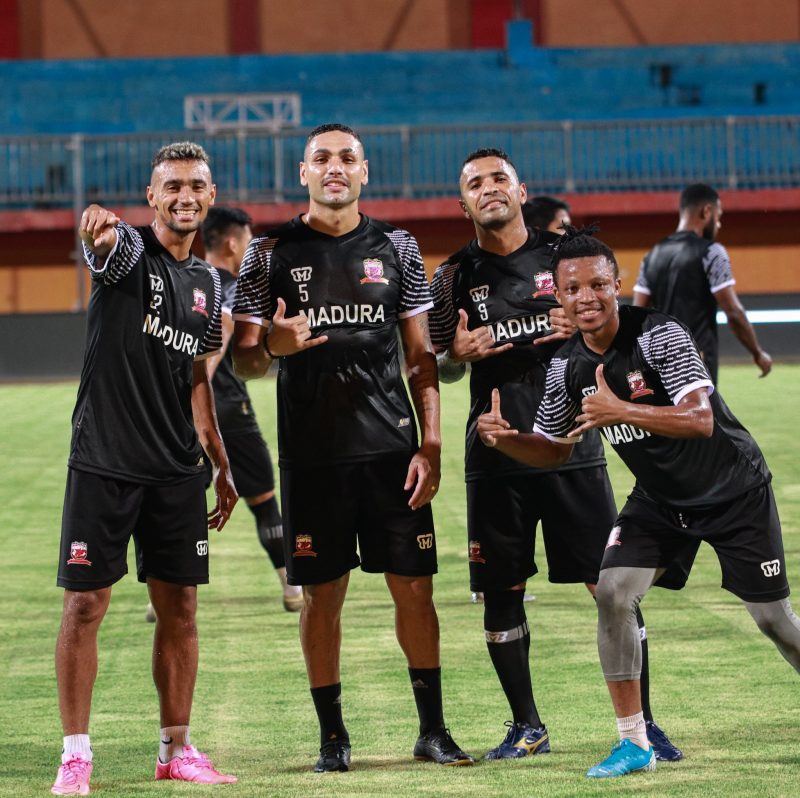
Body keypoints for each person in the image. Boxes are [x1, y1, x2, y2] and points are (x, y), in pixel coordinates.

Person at [477, 226, 800, 779]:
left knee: (773, 620)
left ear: (617, 284)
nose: (586, 298)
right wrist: (506, 439)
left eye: (598, 285)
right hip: (661, 501)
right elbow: (554, 450)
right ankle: (635, 742)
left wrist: (620, 411)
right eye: (573, 288)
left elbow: (700, 420)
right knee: (612, 593)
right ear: (558, 293)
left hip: (734, 493)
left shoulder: (658, 335)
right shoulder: (567, 367)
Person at [429, 148, 684, 763]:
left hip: (572, 448)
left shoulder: (565, 255)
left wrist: (589, 329)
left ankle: (642, 726)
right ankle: (527, 728)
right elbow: (437, 365)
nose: (489, 189)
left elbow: (616, 326)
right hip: (493, 452)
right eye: (475, 184)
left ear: (521, 190)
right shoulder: (451, 277)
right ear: (461, 203)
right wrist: (457, 354)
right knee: (501, 591)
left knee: (612, 589)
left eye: (498, 179)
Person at [231, 123, 472, 773]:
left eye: (346, 159)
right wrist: (271, 349)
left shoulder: (398, 246)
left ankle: (433, 730)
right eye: (321, 159)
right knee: (322, 596)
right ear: (302, 172)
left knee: (415, 590)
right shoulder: (269, 250)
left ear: (364, 172)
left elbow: (421, 356)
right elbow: (246, 360)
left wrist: (434, 443)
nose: (334, 168)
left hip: (392, 452)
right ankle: (332, 738)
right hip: (312, 457)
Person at [52, 142, 238, 795]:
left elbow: (195, 378)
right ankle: (76, 754)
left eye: (196, 186)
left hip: (175, 470)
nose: (185, 196)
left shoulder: (212, 284)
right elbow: (104, 243)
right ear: (153, 196)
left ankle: (176, 749)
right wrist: (98, 225)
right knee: (84, 606)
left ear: (210, 197)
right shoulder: (128, 251)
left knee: (181, 610)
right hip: (104, 460)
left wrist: (218, 456)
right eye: (173, 187)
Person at [200, 206, 302, 612]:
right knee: (263, 500)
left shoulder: (186, 280)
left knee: (180, 502)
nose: (248, 248)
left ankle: (163, 594)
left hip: (182, 409)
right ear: (230, 242)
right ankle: (291, 589)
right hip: (226, 407)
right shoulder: (230, 287)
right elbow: (225, 332)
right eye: (246, 240)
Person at [633, 183, 772, 385]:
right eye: (719, 217)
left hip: (659, 359)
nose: (719, 224)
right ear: (707, 211)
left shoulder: (650, 256)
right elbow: (734, 312)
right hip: (697, 358)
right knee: (703, 415)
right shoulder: (712, 252)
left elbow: (638, 314)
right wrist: (757, 352)